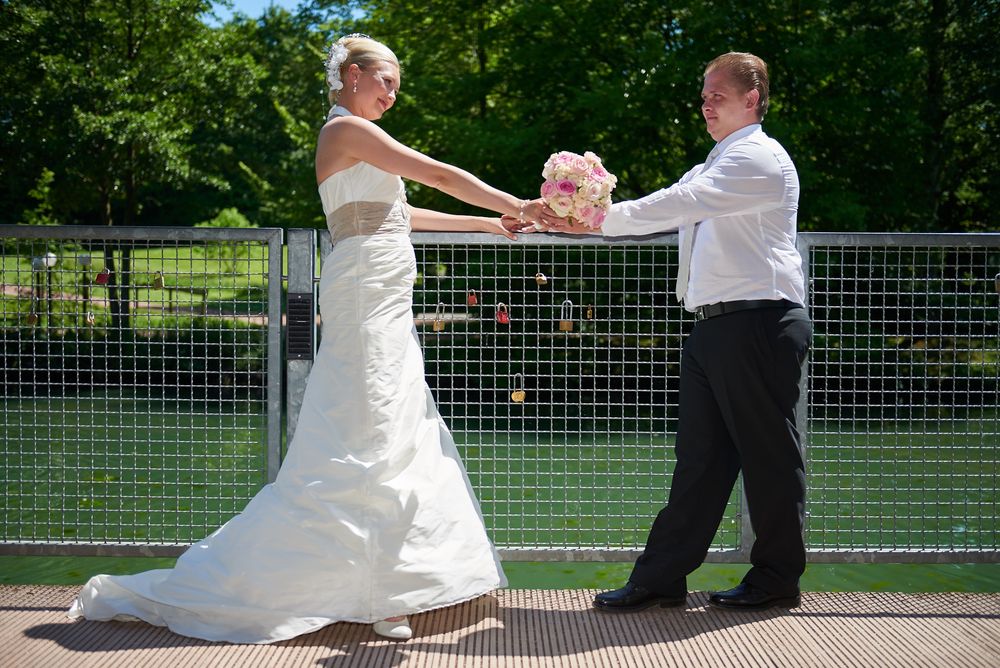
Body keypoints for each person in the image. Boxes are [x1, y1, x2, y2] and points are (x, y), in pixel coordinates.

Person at [68, 34, 558, 643]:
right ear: (353, 75)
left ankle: (391, 580)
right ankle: (383, 594)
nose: (393, 94)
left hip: (384, 286)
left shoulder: (362, 143)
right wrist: (523, 205)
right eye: (387, 81)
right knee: (372, 422)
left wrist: (490, 222)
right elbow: (434, 174)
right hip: (363, 291)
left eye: (397, 86)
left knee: (394, 418)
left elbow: (401, 212)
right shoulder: (343, 131)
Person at [549, 51, 811, 612]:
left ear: (753, 100)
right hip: (715, 327)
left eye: (719, 95)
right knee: (699, 459)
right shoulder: (715, 163)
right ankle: (663, 577)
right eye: (704, 95)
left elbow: (677, 204)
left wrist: (592, 216)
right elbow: (672, 205)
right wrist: (580, 215)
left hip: (759, 321)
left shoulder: (759, 158)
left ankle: (776, 579)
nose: (706, 103)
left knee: (767, 457)